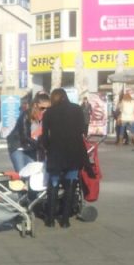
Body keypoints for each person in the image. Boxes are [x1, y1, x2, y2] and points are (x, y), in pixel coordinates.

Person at [40, 87, 89, 228]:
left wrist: (47, 148)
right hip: (74, 152)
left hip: (56, 153)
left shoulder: (49, 113)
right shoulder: (77, 109)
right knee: (71, 183)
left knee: (54, 183)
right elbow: (82, 129)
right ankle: (65, 220)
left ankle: (50, 219)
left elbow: (45, 136)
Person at [7, 94, 49, 174]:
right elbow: (25, 136)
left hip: (31, 147)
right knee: (22, 173)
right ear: (36, 105)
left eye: (48, 108)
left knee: (32, 173)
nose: (45, 110)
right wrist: (40, 145)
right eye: (42, 108)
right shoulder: (26, 115)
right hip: (18, 146)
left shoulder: (46, 117)